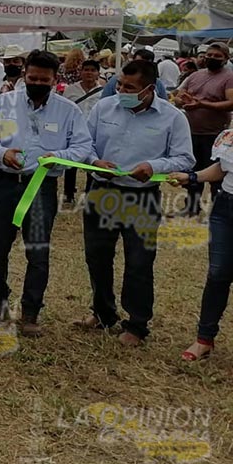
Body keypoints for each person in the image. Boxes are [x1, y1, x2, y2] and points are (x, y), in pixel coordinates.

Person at [75, 60, 194, 346]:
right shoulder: (105, 107)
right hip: (102, 191)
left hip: (141, 198)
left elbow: (185, 159)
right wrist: (94, 161)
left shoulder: (173, 117)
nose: (122, 91)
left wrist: (154, 166)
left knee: (139, 261)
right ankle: (103, 313)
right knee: (97, 257)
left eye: (130, 87)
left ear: (149, 89)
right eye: (120, 84)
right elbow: (84, 143)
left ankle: (137, 325)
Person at [0, 50, 93, 336]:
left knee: (38, 251)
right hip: (6, 185)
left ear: (55, 80)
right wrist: (2, 152)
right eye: (33, 78)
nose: (37, 83)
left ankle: (30, 313)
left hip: (41, 188)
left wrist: (59, 156)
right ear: (24, 75)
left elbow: (82, 146)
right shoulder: (4, 104)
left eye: (44, 80)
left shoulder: (68, 110)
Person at [172, 129, 233, 360]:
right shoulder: (230, 135)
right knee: (218, 273)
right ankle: (204, 339)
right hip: (224, 207)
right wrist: (193, 177)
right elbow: (223, 168)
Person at [175, 42, 233, 216]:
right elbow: (178, 95)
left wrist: (202, 104)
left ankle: (219, 210)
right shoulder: (195, 76)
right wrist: (182, 101)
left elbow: (231, 103)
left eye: (217, 56)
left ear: (226, 59)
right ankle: (191, 207)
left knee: (216, 174)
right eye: (210, 55)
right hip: (191, 132)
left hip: (215, 135)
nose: (212, 58)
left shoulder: (229, 77)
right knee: (192, 172)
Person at [62, 60, 106, 205]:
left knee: (92, 163)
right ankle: (68, 194)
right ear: (80, 72)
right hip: (73, 130)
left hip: (94, 131)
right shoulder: (70, 90)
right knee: (71, 163)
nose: (89, 73)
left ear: (98, 73)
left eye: (93, 70)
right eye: (86, 69)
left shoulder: (104, 92)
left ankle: (89, 194)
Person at [100, 49, 167, 99]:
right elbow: (103, 101)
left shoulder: (158, 83)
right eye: (138, 63)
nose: (121, 90)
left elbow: (164, 106)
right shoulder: (115, 80)